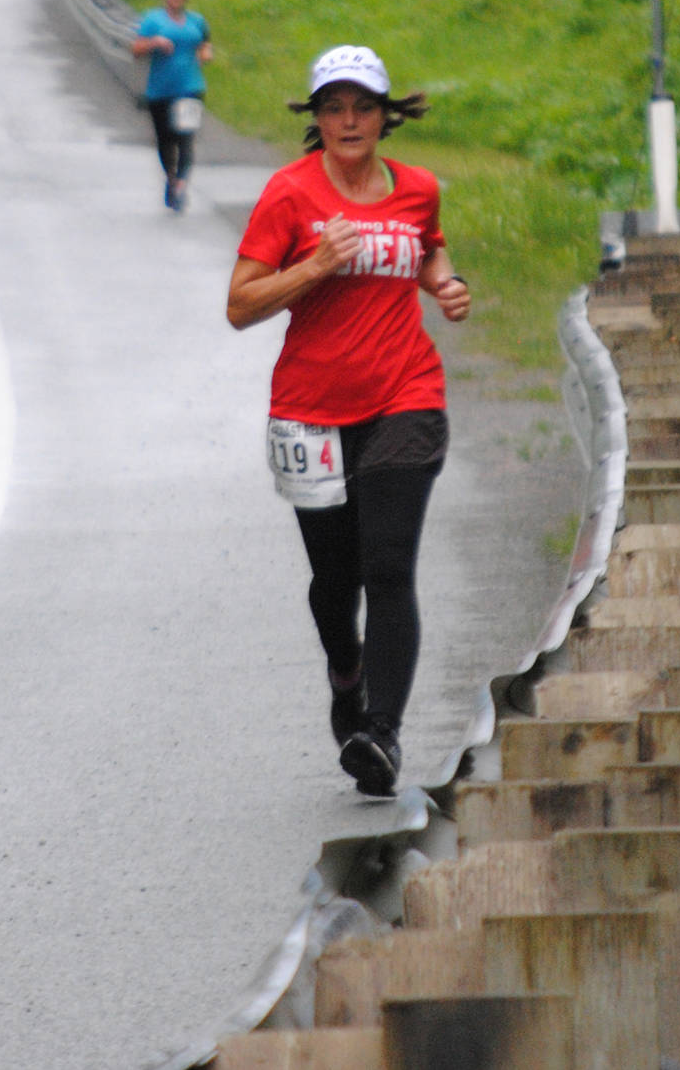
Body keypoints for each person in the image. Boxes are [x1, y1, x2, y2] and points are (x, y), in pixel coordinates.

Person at [226, 45, 471, 797]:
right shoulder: (289, 195)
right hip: (310, 411)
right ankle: (347, 670)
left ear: (385, 114)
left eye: (363, 106)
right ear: (317, 120)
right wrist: (313, 267)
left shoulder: (417, 187)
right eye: (333, 108)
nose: (349, 120)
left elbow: (425, 247)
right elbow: (240, 304)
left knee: (388, 566)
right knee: (336, 581)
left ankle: (382, 734)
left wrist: (445, 282)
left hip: (406, 392)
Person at [130, 0, 214, 212]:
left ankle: (180, 185)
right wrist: (154, 42)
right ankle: (170, 177)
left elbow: (205, 43)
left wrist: (206, 53)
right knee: (165, 140)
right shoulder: (152, 20)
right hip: (160, 91)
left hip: (190, 88)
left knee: (185, 138)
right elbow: (136, 49)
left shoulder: (197, 21)